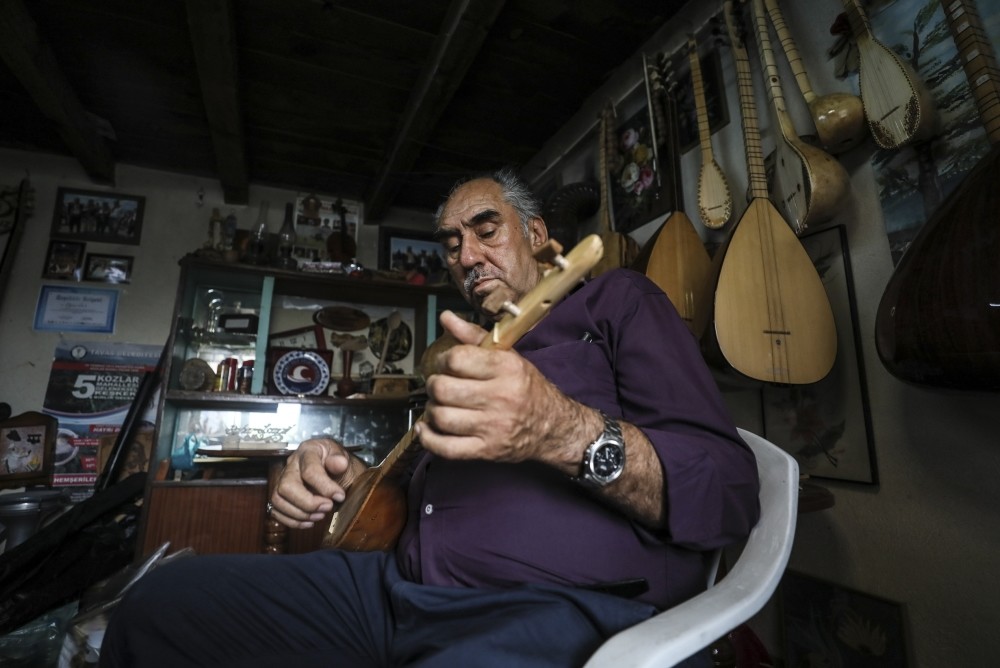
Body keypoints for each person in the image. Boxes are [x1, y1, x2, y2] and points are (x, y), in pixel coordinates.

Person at [100, 168, 759, 668]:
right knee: (159, 606)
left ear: (536, 235)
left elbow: (728, 492)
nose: (465, 257)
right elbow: (417, 493)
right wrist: (340, 470)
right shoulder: (460, 349)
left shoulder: (617, 301)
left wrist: (558, 428)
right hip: (392, 587)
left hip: (554, 605)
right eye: (450, 244)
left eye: (485, 229)